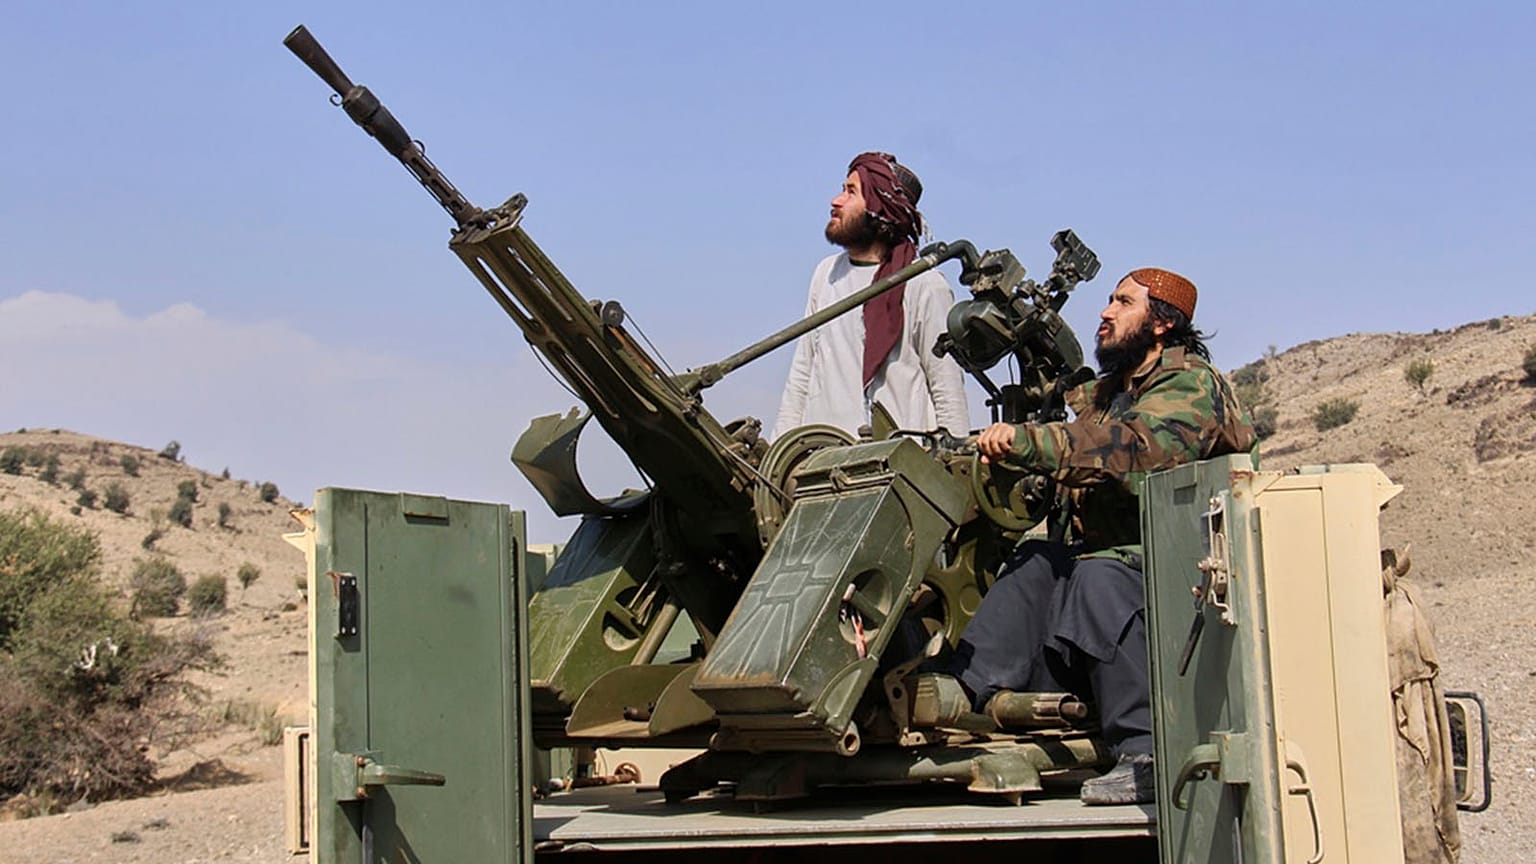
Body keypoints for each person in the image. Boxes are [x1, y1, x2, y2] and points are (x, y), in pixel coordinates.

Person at [947, 266, 1255, 805]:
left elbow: (1136, 449)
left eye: (1122, 303)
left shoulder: (1191, 383)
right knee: (1037, 560)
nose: (1105, 313)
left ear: (1161, 324)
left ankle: (1145, 752)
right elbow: (1075, 431)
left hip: (1185, 570)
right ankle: (961, 693)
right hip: (1120, 567)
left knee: (1097, 573)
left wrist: (1031, 442)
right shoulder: (1110, 392)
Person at [771, 153, 969, 440]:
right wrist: (780, 448)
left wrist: (955, 460)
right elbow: (803, 371)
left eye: (851, 192)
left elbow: (946, 385)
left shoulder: (923, 284)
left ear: (880, 208)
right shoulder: (826, 273)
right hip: (822, 460)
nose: (836, 201)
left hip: (896, 469)